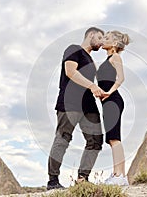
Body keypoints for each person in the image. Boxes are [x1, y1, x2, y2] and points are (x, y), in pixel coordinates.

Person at [47, 27, 105, 190]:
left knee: (95, 141)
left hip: (89, 106)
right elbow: (70, 72)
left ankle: (82, 179)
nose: (101, 42)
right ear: (91, 35)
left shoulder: (92, 61)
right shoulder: (74, 49)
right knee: (63, 138)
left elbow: (89, 83)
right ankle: (53, 181)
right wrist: (92, 85)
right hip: (69, 103)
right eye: (100, 38)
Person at [97, 30, 130, 186]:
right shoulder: (108, 59)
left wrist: (109, 92)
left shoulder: (115, 57)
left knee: (114, 139)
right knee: (112, 140)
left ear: (115, 44)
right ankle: (119, 175)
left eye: (107, 38)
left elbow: (121, 78)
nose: (103, 40)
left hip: (113, 100)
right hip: (108, 101)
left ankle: (119, 176)